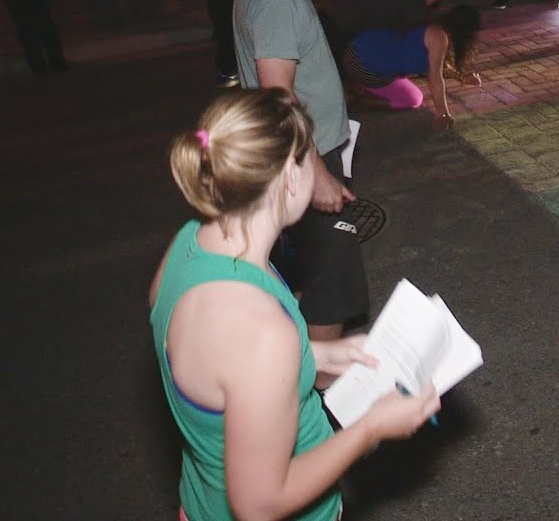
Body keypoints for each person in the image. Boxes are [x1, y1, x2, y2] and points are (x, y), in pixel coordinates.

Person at [150, 88, 441, 521]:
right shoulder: (265, 333)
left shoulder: (188, 244)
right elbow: (259, 504)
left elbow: (219, 372)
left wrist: (316, 353)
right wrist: (371, 428)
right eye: (313, 156)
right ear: (290, 174)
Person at [233, 0, 369, 343]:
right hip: (302, 160)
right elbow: (278, 94)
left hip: (297, 156)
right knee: (330, 295)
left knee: (311, 289)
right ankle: (318, 413)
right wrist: (316, 174)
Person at [341, 4, 483, 122]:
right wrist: (444, 114)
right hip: (363, 66)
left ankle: (359, 86)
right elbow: (435, 76)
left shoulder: (434, 28)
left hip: (357, 48)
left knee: (399, 73)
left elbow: (438, 67)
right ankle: (360, 99)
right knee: (413, 99)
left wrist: (463, 77)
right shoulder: (440, 38)